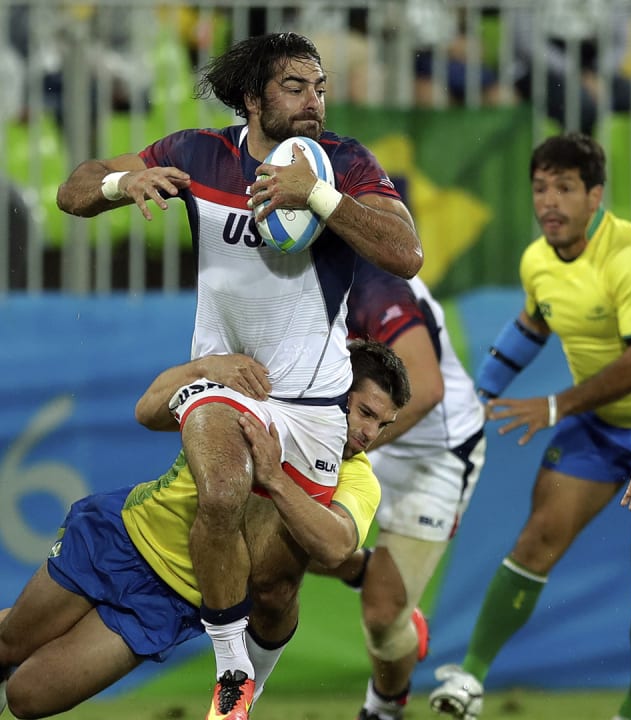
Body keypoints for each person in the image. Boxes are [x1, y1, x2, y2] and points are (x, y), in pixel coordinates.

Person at [53, 32, 422, 720]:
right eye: (295, 87)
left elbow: (406, 252)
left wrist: (318, 197)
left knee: (278, 587)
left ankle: (255, 675)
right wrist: (119, 182)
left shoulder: (346, 163)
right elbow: (71, 193)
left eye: (320, 86)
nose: (314, 101)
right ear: (253, 98)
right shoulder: (197, 154)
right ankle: (231, 675)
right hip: (225, 380)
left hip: (312, 403)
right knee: (221, 489)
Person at [0, 341, 409, 720]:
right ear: (337, 389)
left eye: (383, 425)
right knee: (11, 644)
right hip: (121, 535)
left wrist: (275, 478)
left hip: (169, 604)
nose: (370, 434)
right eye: (365, 412)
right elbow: (148, 411)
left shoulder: (358, 478)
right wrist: (206, 368)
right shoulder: (265, 403)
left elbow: (336, 547)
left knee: (26, 698)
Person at [427, 133, 631, 720]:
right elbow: (531, 326)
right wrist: (478, 396)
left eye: (563, 188)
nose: (548, 202)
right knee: (536, 540)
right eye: (539, 188)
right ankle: (471, 679)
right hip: (599, 431)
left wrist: (555, 406)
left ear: (595, 195)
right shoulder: (537, 260)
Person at [322, 260, 488, 720]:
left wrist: (340, 452)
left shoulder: (374, 279)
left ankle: (383, 708)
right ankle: (370, 570)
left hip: (435, 452)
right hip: (361, 433)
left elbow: (428, 388)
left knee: (382, 617)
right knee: (283, 538)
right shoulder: (287, 275)